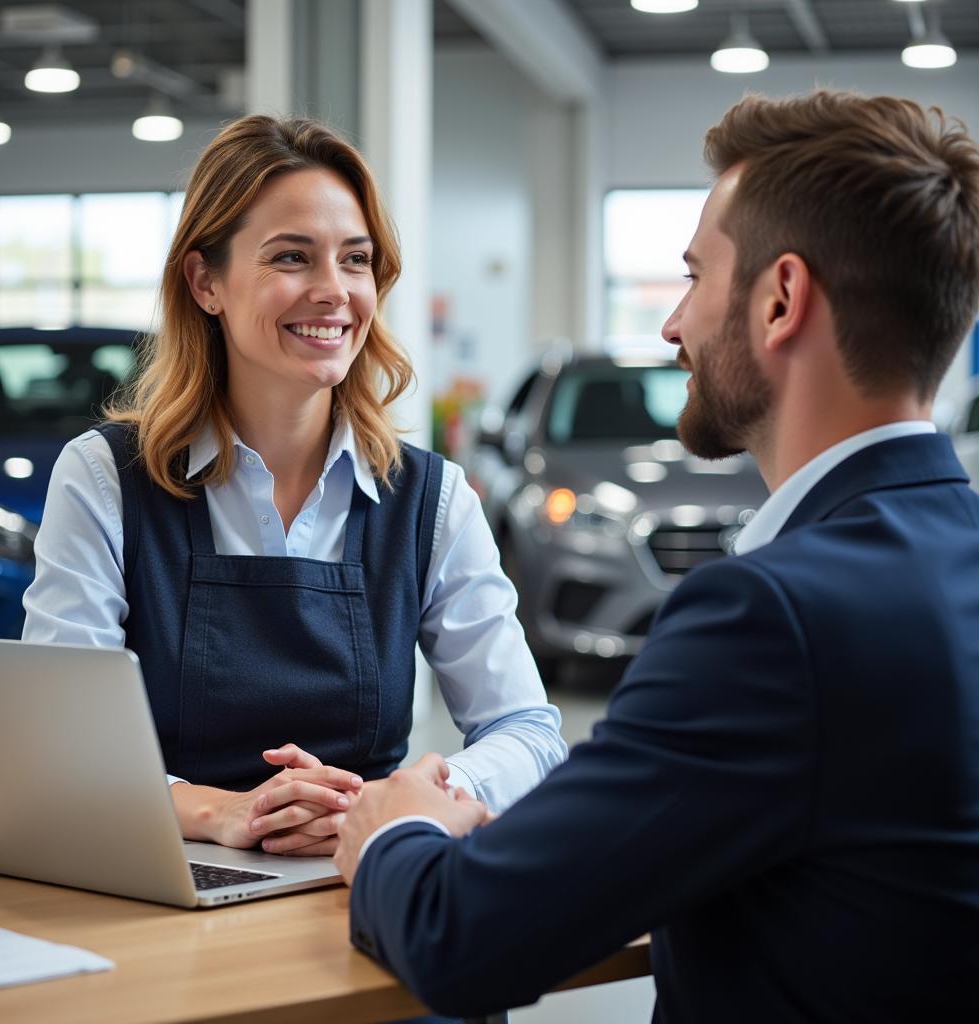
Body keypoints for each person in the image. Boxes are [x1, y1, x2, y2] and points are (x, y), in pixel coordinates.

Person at [335, 89, 979, 1022]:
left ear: (781, 299)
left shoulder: (770, 619)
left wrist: (396, 833)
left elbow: (461, 936)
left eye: (693, 277)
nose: (673, 325)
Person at [22, 115, 566, 858]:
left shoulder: (430, 499)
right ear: (204, 281)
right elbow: (60, 747)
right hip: (162, 881)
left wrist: (392, 802)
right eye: (291, 257)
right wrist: (223, 813)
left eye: (355, 260)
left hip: (364, 882)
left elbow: (527, 731)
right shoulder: (104, 478)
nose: (334, 291)